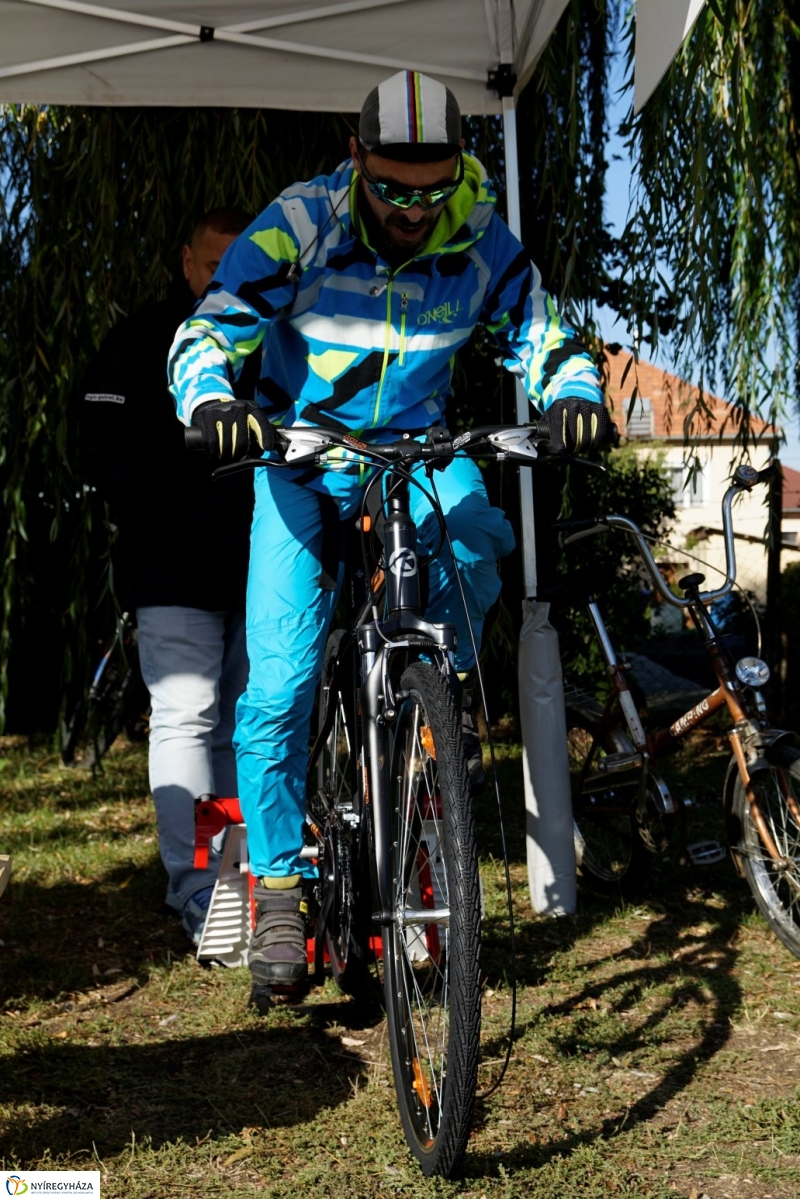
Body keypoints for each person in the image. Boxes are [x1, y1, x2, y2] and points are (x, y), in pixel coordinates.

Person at [168, 71, 612, 991]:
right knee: (281, 681)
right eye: (393, 190)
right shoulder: (302, 222)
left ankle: (421, 711)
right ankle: (280, 889)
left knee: (479, 538)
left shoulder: (480, 236)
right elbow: (208, 331)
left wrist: (574, 392)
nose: (414, 210)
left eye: (434, 189)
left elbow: (546, 333)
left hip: (415, 445)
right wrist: (211, 397)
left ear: (460, 170)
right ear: (357, 157)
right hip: (299, 451)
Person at [81, 208, 258, 945]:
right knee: (187, 717)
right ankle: (196, 894)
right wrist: (162, 510)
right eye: (212, 266)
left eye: (235, 267)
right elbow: (96, 444)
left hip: (259, 564)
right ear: (187, 263)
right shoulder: (138, 342)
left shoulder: (267, 336)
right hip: (172, 566)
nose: (222, 280)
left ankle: (241, 879)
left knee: (247, 727)